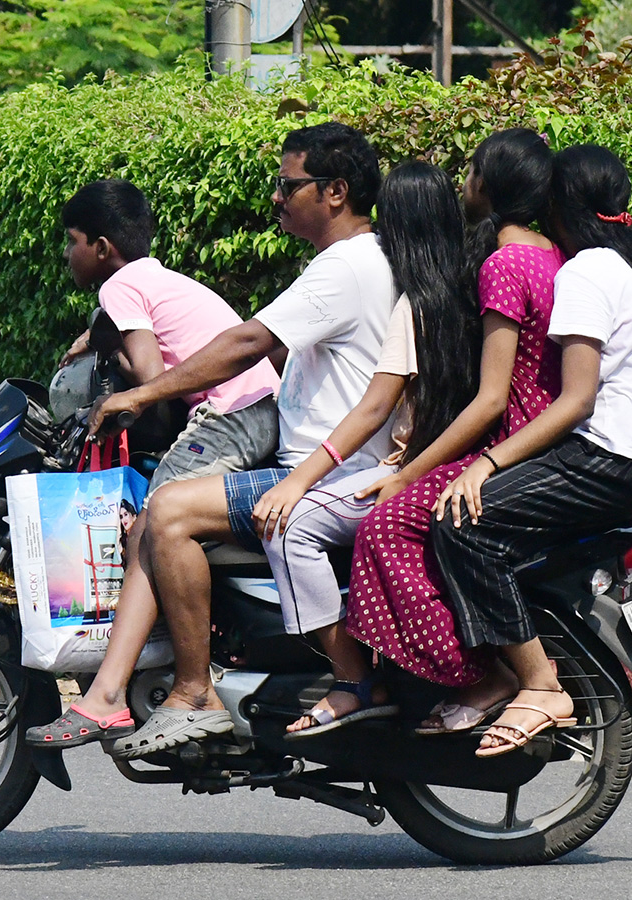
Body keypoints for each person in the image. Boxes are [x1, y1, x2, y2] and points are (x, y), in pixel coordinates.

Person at [89, 122, 397, 758]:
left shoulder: (345, 267)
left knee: (167, 510)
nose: (278, 199)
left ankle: (193, 691)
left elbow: (248, 343)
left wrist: (142, 395)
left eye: (289, 186)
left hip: (334, 477)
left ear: (335, 191)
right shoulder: (361, 261)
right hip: (331, 465)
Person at [430, 143, 632, 758]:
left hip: (612, 456)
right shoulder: (629, 265)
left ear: (557, 203)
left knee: (463, 524)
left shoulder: (586, 271)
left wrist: (486, 463)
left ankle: (537, 682)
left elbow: (576, 400)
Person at [26, 179, 280, 747]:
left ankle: (112, 693)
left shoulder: (118, 287)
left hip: (232, 414)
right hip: (261, 409)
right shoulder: (156, 278)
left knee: (153, 522)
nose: (67, 254)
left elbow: (146, 375)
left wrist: (103, 349)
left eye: (71, 241)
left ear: (100, 246)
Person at [246, 160, 479, 736]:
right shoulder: (474, 291)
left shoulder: (415, 306)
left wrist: (297, 481)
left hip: (412, 471)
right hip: (466, 466)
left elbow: (376, 406)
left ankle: (352, 681)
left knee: (289, 525)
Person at [344, 128, 564, 734]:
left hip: (508, 448)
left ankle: (480, 675)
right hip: (540, 445)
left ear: (489, 186)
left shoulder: (503, 263)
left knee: (385, 527)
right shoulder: (553, 256)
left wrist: (405, 476)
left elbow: (491, 400)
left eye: (472, 171)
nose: (463, 182)